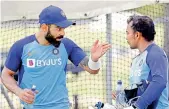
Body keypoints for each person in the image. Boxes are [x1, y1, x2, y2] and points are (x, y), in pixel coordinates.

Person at [1, 5, 111, 109]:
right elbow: (6, 75)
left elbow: (92, 69)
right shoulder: (21, 46)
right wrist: (19, 92)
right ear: (44, 27)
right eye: (59, 28)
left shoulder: (66, 44)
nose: (63, 33)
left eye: (64, 28)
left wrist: (94, 59)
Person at [118, 15, 169, 109]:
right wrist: (123, 96)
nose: (126, 37)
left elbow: (160, 82)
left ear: (137, 35)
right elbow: (141, 90)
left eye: (127, 33)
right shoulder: (136, 60)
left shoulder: (156, 53)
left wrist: (137, 106)